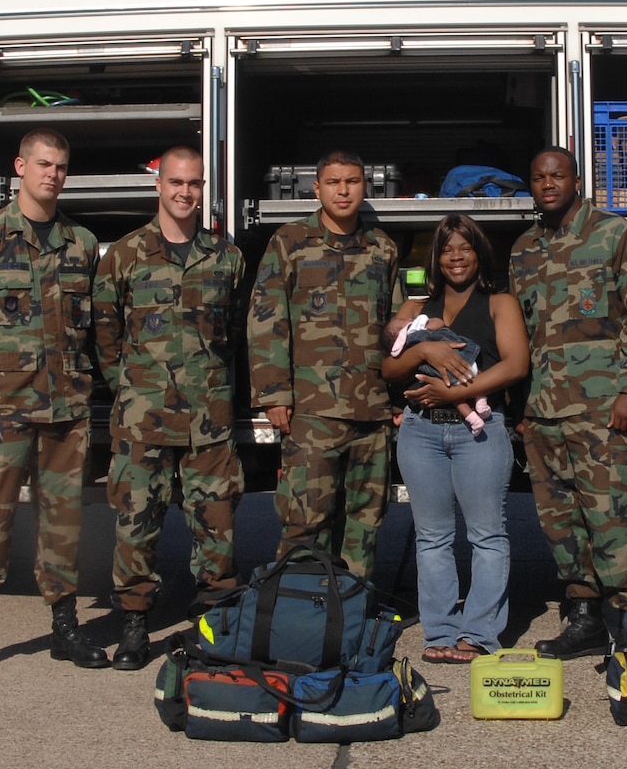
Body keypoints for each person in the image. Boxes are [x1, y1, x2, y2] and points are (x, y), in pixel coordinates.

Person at [0, 128, 109, 677]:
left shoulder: (80, 242)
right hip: (0, 410)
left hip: (65, 409)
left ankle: (64, 628)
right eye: (41, 164)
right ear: (19, 168)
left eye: (59, 166)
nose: (51, 174)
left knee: (63, 524)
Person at [92, 145, 245, 672]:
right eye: (177, 182)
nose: (186, 193)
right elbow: (104, 331)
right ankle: (134, 626)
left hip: (209, 420)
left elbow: (239, 332)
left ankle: (215, 626)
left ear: (205, 189)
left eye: (195, 184)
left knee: (217, 527)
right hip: (144, 419)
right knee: (137, 525)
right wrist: (132, 386)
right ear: (159, 186)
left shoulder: (226, 257)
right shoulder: (126, 254)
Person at [510, 148, 627, 659]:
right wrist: (521, 407)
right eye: (538, 177)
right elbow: (520, 336)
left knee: (612, 515)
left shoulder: (613, 234)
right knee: (560, 520)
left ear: (577, 180)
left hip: (601, 408)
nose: (548, 184)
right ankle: (584, 616)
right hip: (543, 411)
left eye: (557, 175)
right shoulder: (523, 250)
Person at [381, 216, 530, 662]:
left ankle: (480, 633)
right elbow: (388, 368)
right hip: (420, 432)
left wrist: (455, 392)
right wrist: (424, 350)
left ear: (479, 252)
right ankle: (441, 633)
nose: (456, 257)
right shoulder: (414, 309)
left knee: (487, 535)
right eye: (447, 250)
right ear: (436, 258)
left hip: (479, 433)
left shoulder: (500, 303)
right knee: (431, 537)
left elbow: (516, 364)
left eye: (465, 247)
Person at [247, 151, 400, 577]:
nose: (344, 190)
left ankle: (350, 611)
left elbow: (398, 329)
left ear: (363, 186)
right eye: (334, 182)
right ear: (317, 189)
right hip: (313, 413)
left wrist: (400, 397)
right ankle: (299, 614)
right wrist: (275, 394)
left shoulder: (382, 248)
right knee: (304, 520)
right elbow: (266, 319)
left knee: (365, 522)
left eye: (352, 181)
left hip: (371, 411)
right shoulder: (290, 242)